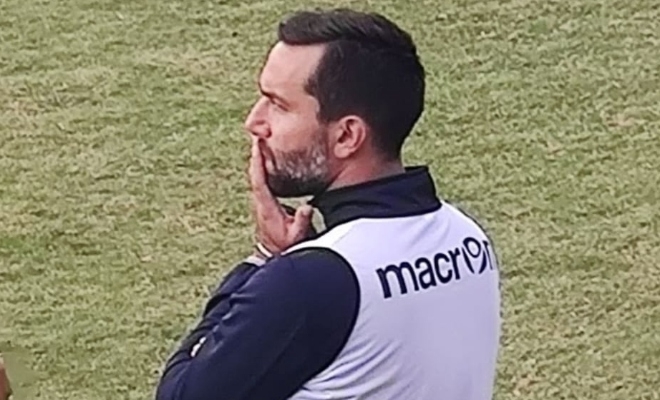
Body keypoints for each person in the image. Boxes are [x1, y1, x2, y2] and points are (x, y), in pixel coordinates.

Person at [155, 7, 501, 400]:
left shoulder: (310, 280)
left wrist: (265, 257)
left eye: (277, 105)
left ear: (347, 136)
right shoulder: (468, 238)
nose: (254, 122)